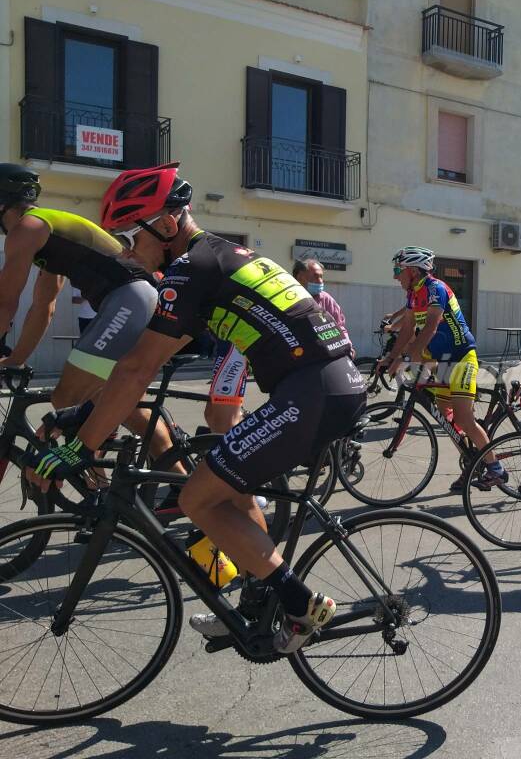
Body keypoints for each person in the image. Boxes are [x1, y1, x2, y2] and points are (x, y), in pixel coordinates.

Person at [30, 162, 366, 653]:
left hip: (313, 391)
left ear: (165, 225)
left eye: (131, 236)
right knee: (230, 486)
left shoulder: (193, 268)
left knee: (197, 498)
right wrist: (81, 417)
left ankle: (300, 604)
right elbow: (145, 366)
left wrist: (80, 449)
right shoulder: (214, 259)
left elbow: (134, 370)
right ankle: (260, 594)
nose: (126, 250)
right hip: (323, 385)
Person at [0, 162, 177, 457]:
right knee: (118, 404)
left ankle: (97, 484)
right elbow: (44, 306)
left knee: (67, 397)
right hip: (138, 298)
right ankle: (176, 476)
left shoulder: (27, 228)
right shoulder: (49, 232)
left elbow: (6, 302)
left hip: (129, 298)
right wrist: (16, 358)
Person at [382, 246, 504, 491]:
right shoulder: (413, 293)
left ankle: (495, 468)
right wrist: (390, 357)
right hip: (443, 360)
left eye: (398, 270)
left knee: (463, 418)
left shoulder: (436, 289)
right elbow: (406, 329)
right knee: (444, 415)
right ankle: (472, 461)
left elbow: (430, 328)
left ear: (413, 271)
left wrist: (405, 359)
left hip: (461, 358)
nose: (395, 276)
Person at [292, 259, 351, 354]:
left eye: (321, 276)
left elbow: (339, 327)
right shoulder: (288, 297)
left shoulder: (326, 299)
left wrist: (347, 346)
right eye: (315, 276)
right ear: (300, 277)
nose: (320, 281)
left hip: (323, 355)